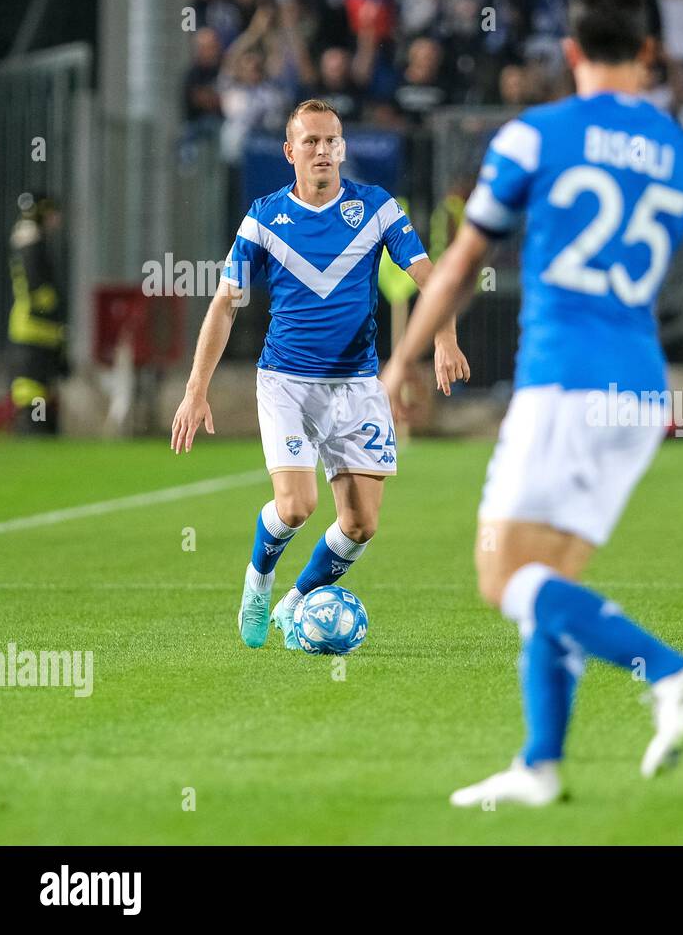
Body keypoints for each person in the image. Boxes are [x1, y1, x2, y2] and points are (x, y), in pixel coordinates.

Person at [379, 0, 683, 808]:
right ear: (649, 55)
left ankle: (670, 672)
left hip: (563, 382)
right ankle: (540, 764)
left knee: (501, 576)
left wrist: (405, 358)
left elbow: (458, 263)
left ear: (570, 53)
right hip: (640, 393)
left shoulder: (533, 136)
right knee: (548, 581)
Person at [170, 98, 469, 649]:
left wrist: (446, 338)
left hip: (357, 385)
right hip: (287, 381)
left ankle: (295, 601)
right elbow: (223, 305)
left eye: (331, 140)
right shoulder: (263, 218)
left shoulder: (376, 207)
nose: (323, 150)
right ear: (290, 153)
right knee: (296, 506)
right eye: (310, 141)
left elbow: (432, 276)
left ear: (343, 149)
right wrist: (196, 390)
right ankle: (259, 585)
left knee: (360, 526)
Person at [6, 192, 67, 435]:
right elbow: (39, 289)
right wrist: (57, 313)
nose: (55, 218)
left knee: (38, 392)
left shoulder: (27, 241)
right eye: (51, 212)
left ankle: (35, 433)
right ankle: (31, 434)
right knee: (32, 394)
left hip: (36, 332)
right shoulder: (32, 244)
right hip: (34, 332)